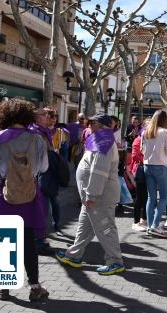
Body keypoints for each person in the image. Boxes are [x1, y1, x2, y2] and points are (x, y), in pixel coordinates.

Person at [0, 98, 49, 301]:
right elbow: (43, 168)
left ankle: (2, 287)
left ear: (4, 115)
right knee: (28, 242)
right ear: (27, 116)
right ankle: (35, 287)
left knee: (1, 240)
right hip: (28, 193)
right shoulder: (37, 139)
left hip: (2, 192)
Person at [56, 113, 125, 275]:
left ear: (101, 125)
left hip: (98, 197)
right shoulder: (100, 139)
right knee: (85, 227)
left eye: (92, 122)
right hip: (92, 196)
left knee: (106, 227)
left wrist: (91, 195)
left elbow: (99, 172)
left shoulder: (105, 142)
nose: (88, 125)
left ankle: (115, 261)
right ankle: (74, 255)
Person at [31, 107, 60, 253]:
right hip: (38, 175)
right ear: (36, 118)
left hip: (43, 174)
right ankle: (38, 241)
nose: (47, 117)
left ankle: (39, 238)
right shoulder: (36, 133)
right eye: (44, 114)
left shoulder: (44, 132)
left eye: (48, 114)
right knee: (41, 207)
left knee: (43, 206)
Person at [141, 110, 167, 237]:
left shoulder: (147, 132)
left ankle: (150, 226)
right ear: (164, 120)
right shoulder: (165, 132)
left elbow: (143, 150)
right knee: (164, 196)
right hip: (160, 166)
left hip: (147, 166)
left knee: (151, 197)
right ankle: (155, 225)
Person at [130, 134, 148, 231]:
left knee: (146, 196)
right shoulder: (138, 140)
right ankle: (136, 222)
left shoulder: (152, 139)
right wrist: (148, 160)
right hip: (140, 171)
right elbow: (135, 156)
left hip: (149, 171)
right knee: (140, 197)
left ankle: (144, 219)